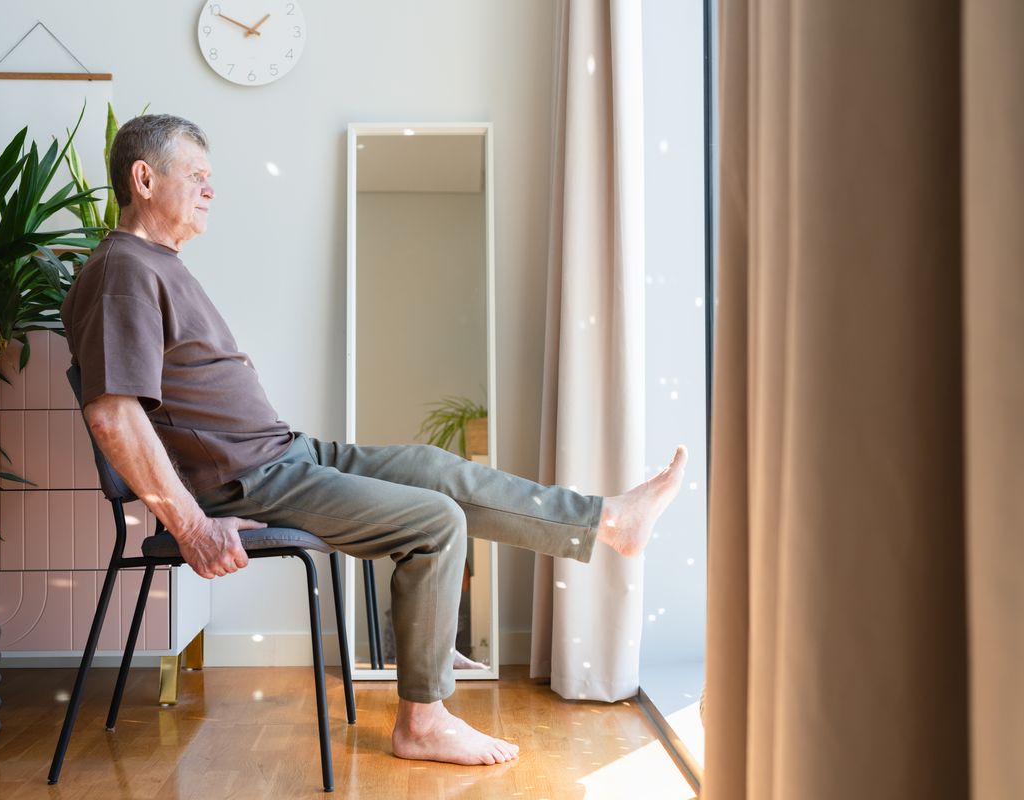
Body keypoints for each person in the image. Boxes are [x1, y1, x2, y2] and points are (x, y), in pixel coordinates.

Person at [60, 114, 687, 767]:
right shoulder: (123, 270)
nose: (211, 190)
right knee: (436, 522)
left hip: (284, 457)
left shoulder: (152, 265)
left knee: (433, 467)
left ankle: (609, 522)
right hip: (255, 479)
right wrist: (191, 526)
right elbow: (113, 415)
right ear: (144, 178)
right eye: (198, 176)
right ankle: (423, 722)